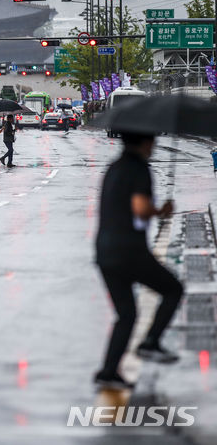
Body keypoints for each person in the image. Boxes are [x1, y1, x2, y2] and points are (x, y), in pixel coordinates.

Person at [94, 132, 184, 390]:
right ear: (145, 142)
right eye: (152, 141)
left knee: (126, 315)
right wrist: (161, 211)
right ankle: (151, 341)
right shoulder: (138, 169)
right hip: (129, 251)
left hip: (105, 252)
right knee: (173, 289)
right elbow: (140, 207)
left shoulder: (114, 167)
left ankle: (108, 372)